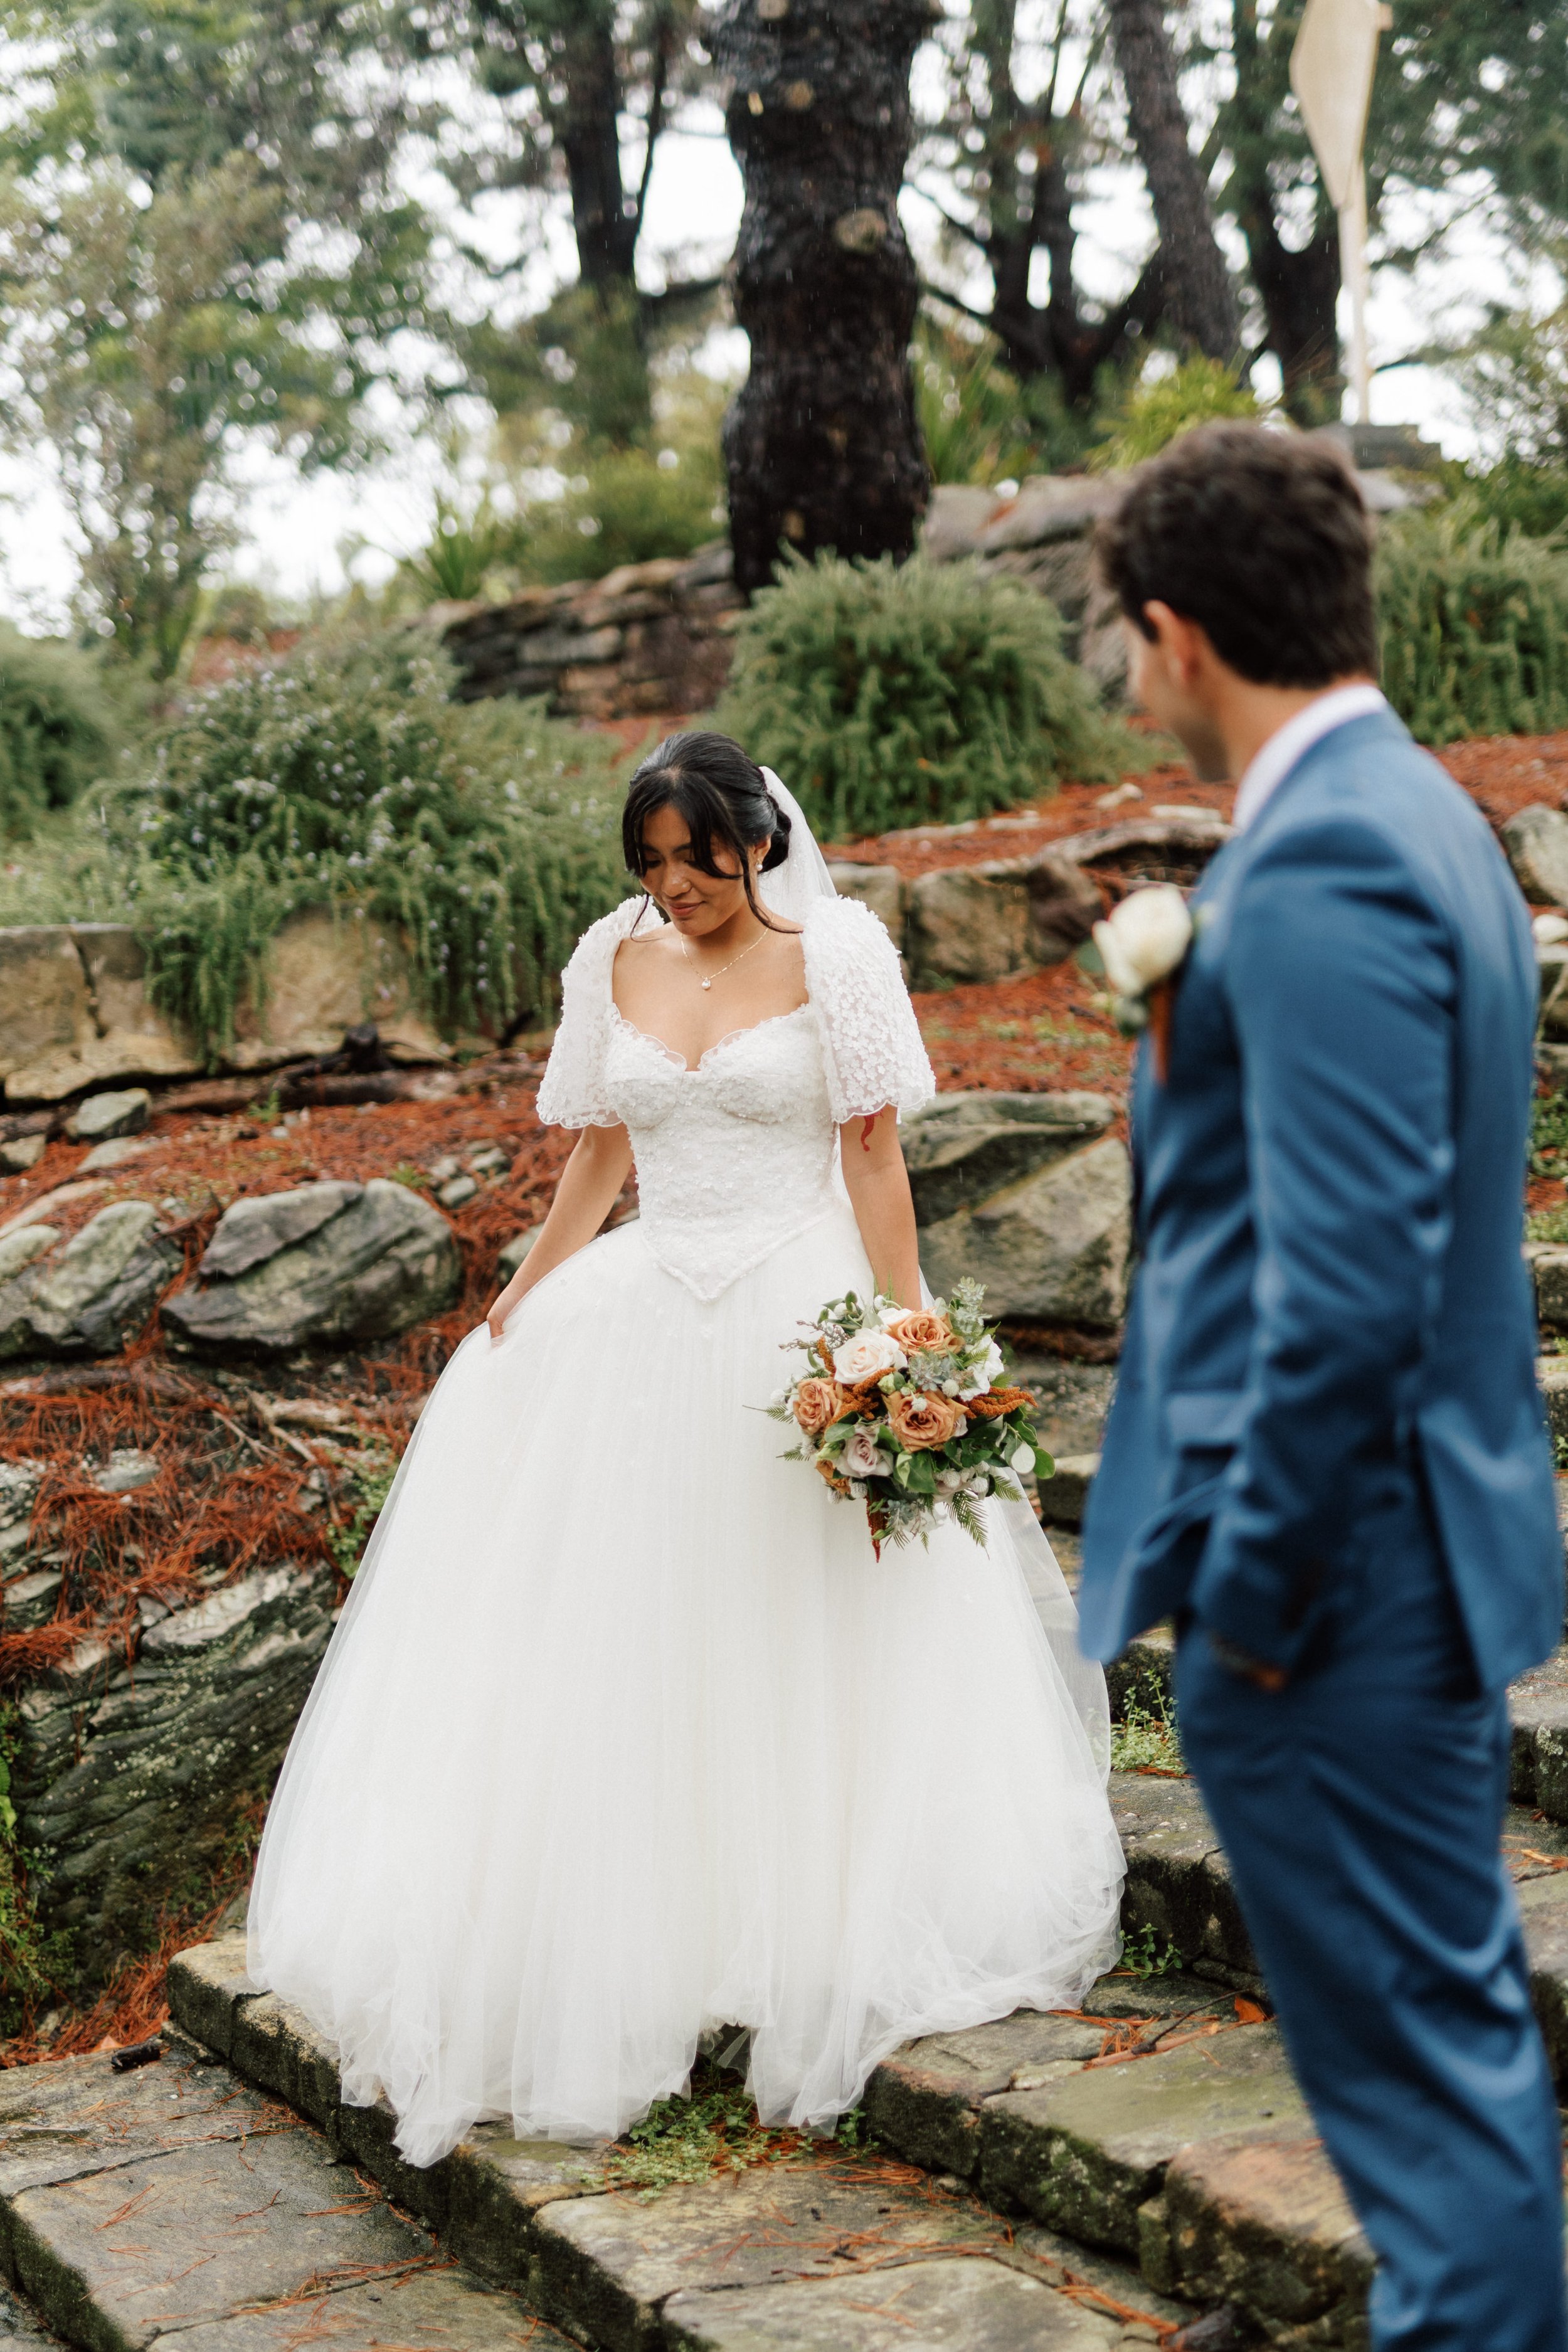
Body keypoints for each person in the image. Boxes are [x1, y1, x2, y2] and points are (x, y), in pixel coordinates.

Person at [248, 730, 1125, 2168]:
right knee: (625, 1620)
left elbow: (870, 1153)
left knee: (797, 1616)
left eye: (693, 858)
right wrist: (523, 1291)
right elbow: (599, 1149)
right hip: (642, 1307)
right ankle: (640, 1915)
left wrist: (902, 1331)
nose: (672, 887)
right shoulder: (614, 957)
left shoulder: (840, 956)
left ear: (755, 840)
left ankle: (804, 1908)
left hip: (797, 1301)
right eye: (649, 864)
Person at [1079, 425, 1565, 2352]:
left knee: (1432, 2106)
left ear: (1180, 632)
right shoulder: (1412, 803)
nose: (1125, 675)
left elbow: (1347, 1285)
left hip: (1335, 1585)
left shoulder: (1332, 848)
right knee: (1431, 2068)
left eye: (1125, 638)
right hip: (1386, 1558)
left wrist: (1254, 1598)